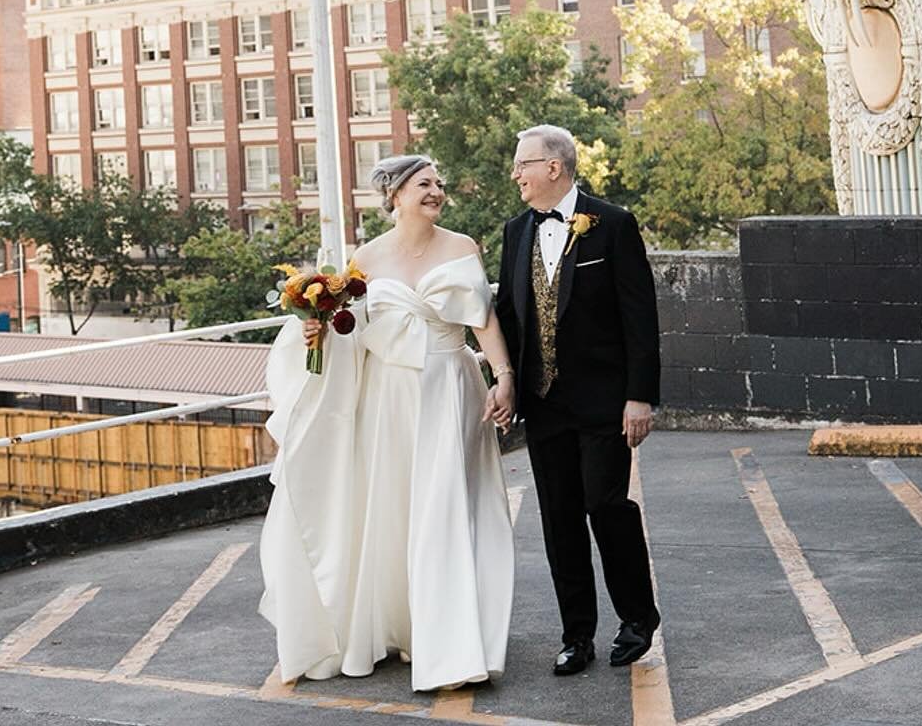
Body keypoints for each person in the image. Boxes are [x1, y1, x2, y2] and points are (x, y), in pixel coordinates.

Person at [260, 153, 516, 692]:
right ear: (396, 195)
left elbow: (483, 319)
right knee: (395, 511)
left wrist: (504, 375)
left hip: (450, 388)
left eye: (439, 184)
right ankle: (403, 629)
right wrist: (318, 333)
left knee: (445, 510)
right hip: (387, 397)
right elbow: (352, 327)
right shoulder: (365, 258)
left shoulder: (462, 246)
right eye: (425, 184)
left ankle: (450, 649)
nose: (436, 191)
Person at [493, 123, 662, 678]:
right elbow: (513, 316)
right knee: (559, 519)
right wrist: (509, 381)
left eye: (523, 164)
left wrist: (640, 396)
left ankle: (637, 619)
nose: (515, 174)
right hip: (544, 406)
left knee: (606, 506)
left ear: (554, 167)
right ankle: (576, 636)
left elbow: (639, 318)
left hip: (604, 401)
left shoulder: (611, 224)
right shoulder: (516, 231)